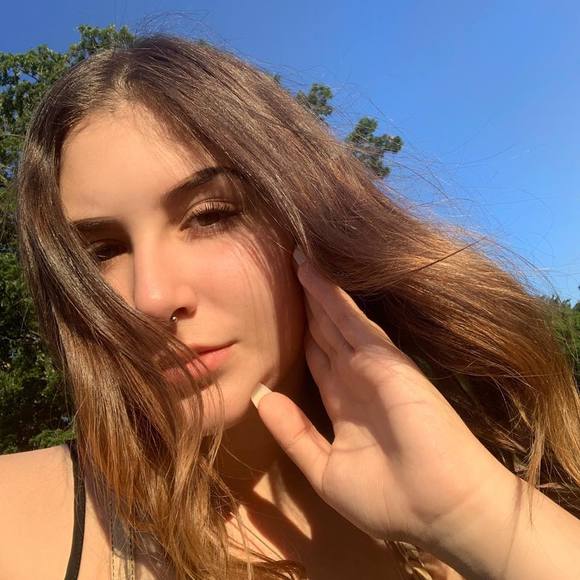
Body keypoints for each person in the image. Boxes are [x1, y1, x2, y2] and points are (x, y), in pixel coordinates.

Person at [1, 33, 578, 580]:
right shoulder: (17, 519)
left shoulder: (459, 502)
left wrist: (473, 512)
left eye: (209, 216)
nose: (151, 298)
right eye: (102, 251)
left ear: (305, 222)